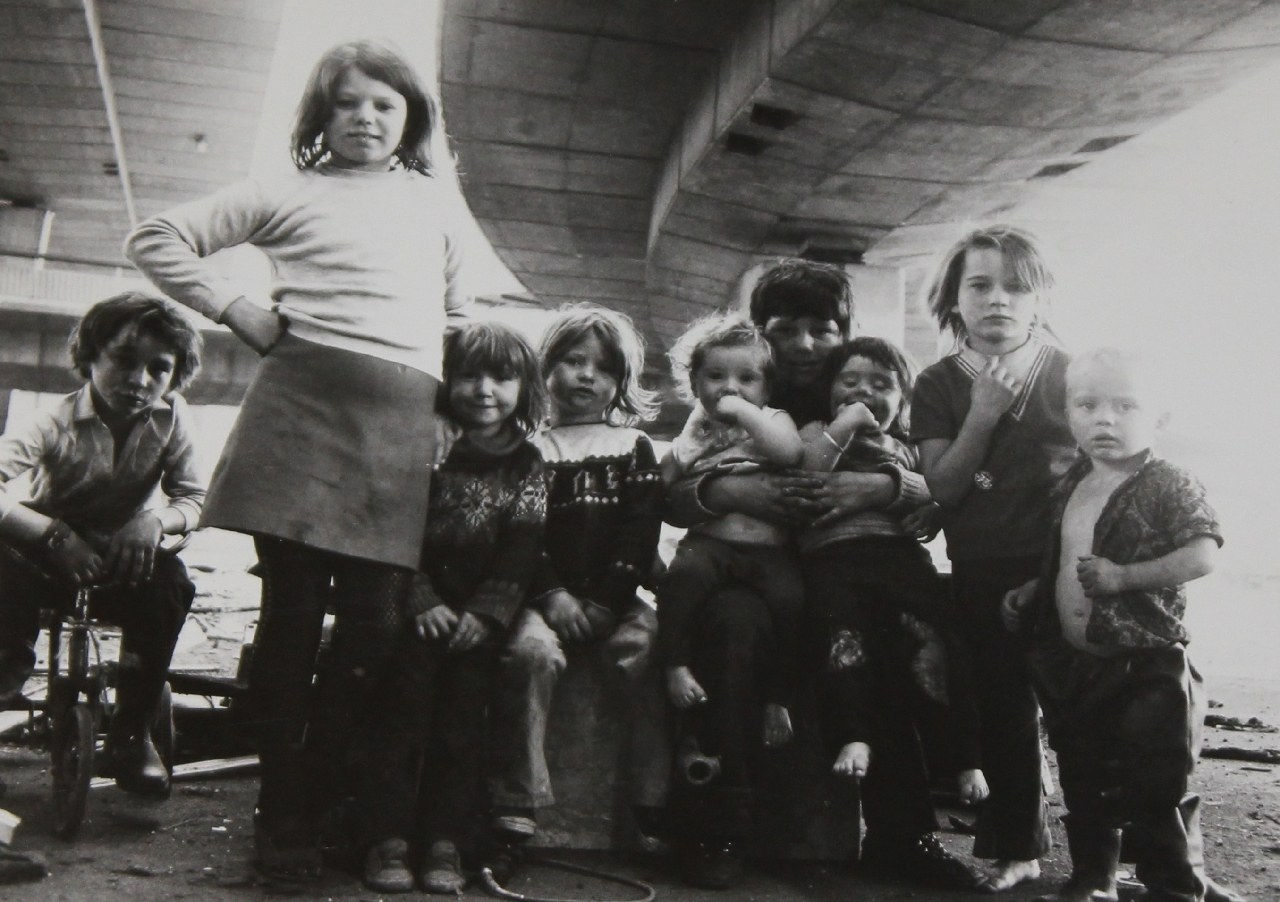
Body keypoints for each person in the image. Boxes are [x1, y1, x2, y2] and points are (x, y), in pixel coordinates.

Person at [124, 40, 469, 880]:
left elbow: (457, 315)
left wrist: (449, 414)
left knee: (376, 633)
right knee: (287, 626)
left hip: (395, 431)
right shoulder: (284, 189)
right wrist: (237, 307)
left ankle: (327, 799)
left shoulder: (436, 206)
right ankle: (282, 819)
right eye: (348, 103)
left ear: (410, 119)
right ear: (322, 115)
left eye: (385, 105)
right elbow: (157, 237)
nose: (366, 117)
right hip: (300, 414)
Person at [660, 260, 929, 888]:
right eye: (785, 330)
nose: (805, 345)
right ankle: (719, 825)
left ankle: (905, 836)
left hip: (846, 572)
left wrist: (883, 485)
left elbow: (924, 483)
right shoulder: (742, 387)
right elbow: (670, 494)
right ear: (761, 334)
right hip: (756, 567)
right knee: (733, 629)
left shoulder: (864, 390)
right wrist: (727, 492)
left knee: (889, 634)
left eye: (823, 330)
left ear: (845, 333)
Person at [1001, 349, 1239, 902]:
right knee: (1083, 773)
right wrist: (1036, 589)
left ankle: (1175, 884)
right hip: (1076, 663)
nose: (1104, 418)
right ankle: (1095, 878)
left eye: (1125, 405)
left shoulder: (1170, 481)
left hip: (1148, 663)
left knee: (1155, 780)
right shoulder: (1074, 479)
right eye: (1087, 404)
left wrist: (1125, 576)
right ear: (1068, 412)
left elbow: (1203, 554)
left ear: (1160, 417)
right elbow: (1068, 555)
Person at [911, 224, 1077, 892]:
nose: (998, 300)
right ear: (953, 298)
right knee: (1005, 710)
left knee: (1083, 713)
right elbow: (945, 487)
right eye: (980, 285)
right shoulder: (938, 383)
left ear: (1041, 299)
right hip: (982, 568)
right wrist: (982, 415)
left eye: (1017, 286)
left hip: (1065, 569)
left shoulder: (1070, 372)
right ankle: (1017, 847)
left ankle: (1125, 850)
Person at [357, 321, 546, 895]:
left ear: (524, 387)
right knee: (400, 718)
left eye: (501, 377)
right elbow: (390, 525)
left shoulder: (526, 461)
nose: (484, 389)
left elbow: (522, 549)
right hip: (415, 610)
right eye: (468, 375)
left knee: (463, 726)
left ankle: (446, 842)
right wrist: (420, 597)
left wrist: (486, 615)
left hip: (475, 622)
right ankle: (385, 839)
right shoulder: (423, 445)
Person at [797, 336, 987, 890]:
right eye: (850, 381)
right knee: (849, 653)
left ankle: (962, 758)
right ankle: (854, 737)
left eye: (882, 385)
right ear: (829, 391)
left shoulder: (904, 444)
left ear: (902, 399)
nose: (865, 392)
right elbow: (809, 471)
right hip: (835, 564)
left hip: (900, 564)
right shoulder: (814, 433)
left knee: (938, 650)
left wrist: (910, 494)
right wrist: (845, 425)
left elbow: (940, 485)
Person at [0, 292, 204, 797]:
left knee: (170, 585)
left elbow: (196, 498)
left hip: (115, 557)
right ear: (91, 354)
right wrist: (51, 535)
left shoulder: (174, 418)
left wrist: (156, 521)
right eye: (123, 361)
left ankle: (131, 734)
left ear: (174, 377)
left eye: (159, 369)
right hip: (40, 562)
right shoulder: (52, 420)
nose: (139, 381)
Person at [487, 304, 668, 848]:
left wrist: (608, 603)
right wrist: (554, 597)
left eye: (604, 368)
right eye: (572, 360)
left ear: (621, 383)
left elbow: (639, 532)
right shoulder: (525, 451)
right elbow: (522, 537)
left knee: (652, 643)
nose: (587, 375)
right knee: (530, 656)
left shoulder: (632, 447)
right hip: (539, 599)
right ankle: (519, 796)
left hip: (613, 597)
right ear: (544, 370)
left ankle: (652, 796)